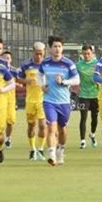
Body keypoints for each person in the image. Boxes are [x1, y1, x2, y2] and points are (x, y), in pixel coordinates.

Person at [39, 36, 80, 166]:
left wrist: (64, 82)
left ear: (62, 48)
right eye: (55, 46)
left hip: (64, 102)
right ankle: (51, 154)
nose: (57, 49)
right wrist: (42, 85)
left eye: (59, 46)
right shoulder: (45, 63)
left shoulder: (68, 63)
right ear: (50, 48)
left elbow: (76, 80)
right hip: (49, 101)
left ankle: (61, 150)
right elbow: (39, 75)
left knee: (62, 129)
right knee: (51, 127)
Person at [17, 42, 47, 161]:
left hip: (43, 100)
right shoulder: (25, 65)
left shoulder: (47, 64)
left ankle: (40, 149)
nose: (39, 56)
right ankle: (32, 149)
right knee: (31, 125)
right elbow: (17, 77)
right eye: (37, 54)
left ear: (44, 53)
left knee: (43, 125)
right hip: (30, 100)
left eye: (41, 54)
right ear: (33, 52)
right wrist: (26, 81)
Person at [76, 44, 99, 149]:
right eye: (84, 53)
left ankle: (92, 134)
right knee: (83, 117)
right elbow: (74, 77)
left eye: (88, 53)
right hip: (83, 95)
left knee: (94, 117)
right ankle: (82, 140)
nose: (86, 55)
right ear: (82, 54)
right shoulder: (78, 65)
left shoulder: (97, 64)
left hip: (95, 94)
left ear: (92, 53)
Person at [0, 50, 18, 149]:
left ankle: (8, 138)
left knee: (10, 121)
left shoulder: (14, 71)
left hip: (11, 99)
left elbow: (20, 79)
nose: (6, 60)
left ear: (11, 60)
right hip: (0, 98)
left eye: (8, 58)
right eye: (4, 58)